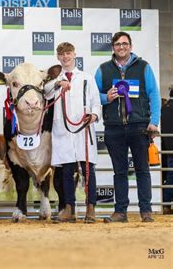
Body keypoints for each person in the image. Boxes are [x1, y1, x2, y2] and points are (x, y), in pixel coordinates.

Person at [95, 31, 161, 223]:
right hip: (113, 127)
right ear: (113, 48)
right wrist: (105, 97)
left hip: (139, 126)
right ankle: (120, 212)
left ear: (130, 47)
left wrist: (154, 121)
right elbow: (93, 95)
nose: (121, 47)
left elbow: (154, 95)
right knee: (120, 172)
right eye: (117, 44)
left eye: (124, 43)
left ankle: (146, 211)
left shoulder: (144, 67)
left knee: (142, 170)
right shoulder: (103, 69)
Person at [45, 42, 101, 223]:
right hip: (63, 131)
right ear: (57, 57)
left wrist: (94, 115)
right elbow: (45, 93)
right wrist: (58, 83)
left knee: (88, 170)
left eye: (68, 53)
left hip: (83, 130)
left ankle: (90, 208)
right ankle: (69, 209)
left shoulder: (86, 78)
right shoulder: (53, 80)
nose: (65, 57)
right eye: (61, 54)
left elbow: (96, 102)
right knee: (67, 171)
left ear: (74, 54)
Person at [161, 86, 173, 214]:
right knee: (171, 175)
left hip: (167, 147)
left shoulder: (164, 108)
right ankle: (165, 202)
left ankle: (165, 204)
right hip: (169, 147)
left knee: (170, 174)